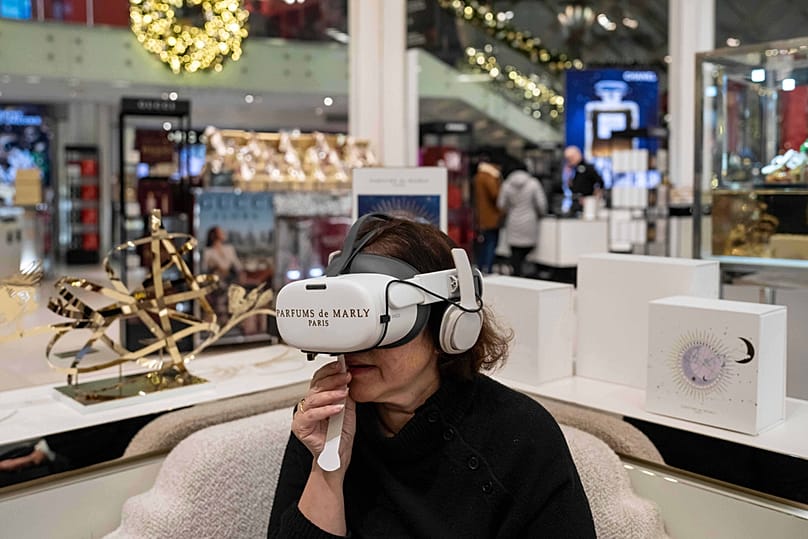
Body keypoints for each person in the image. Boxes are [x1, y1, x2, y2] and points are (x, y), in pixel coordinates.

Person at [267, 216, 595, 538]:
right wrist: (327, 469)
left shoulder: (520, 437)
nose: (356, 344)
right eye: (349, 319)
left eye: (382, 320)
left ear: (448, 324)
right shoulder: (324, 420)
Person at [496, 158, 548, 277]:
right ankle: (526, 276)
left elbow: (501, 204)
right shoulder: (533, 183)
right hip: (530, 221)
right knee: (527, 251)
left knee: (515, 253)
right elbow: (542, 204)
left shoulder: (507, 184)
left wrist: (511, 208)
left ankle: (516, 276)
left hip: (513, 221)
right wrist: (540, 214)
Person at [473, 157, 503, 274]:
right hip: (491, 216)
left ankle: (481, 267)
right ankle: (488, 268)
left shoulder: (478, 176)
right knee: (491, 242)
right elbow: (496, 195)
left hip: (482, 216)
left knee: (484, 242)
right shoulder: (490, 176)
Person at [562, 145, 604, 214]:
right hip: (574, 202)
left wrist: (593, 197)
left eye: (571, 158)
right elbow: (570, 187)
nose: (569, 160)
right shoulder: (572, 170)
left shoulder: (588, 168)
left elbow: (600, 182)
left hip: (587, 203)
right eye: (568, 159)